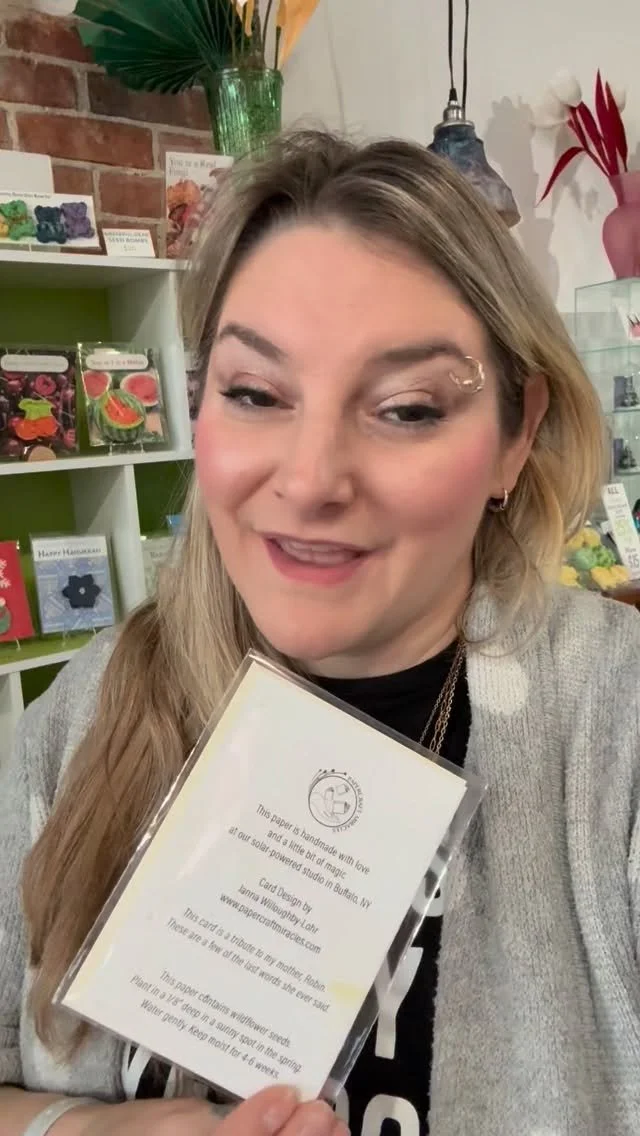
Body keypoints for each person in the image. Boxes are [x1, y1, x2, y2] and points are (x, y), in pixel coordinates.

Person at [1, 127, 639, 1136]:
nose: (307, 481)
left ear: (516, 436)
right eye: (255, 393)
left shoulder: (614, 724)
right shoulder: (89, 706)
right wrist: (76, 1126)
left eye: (405, 408)